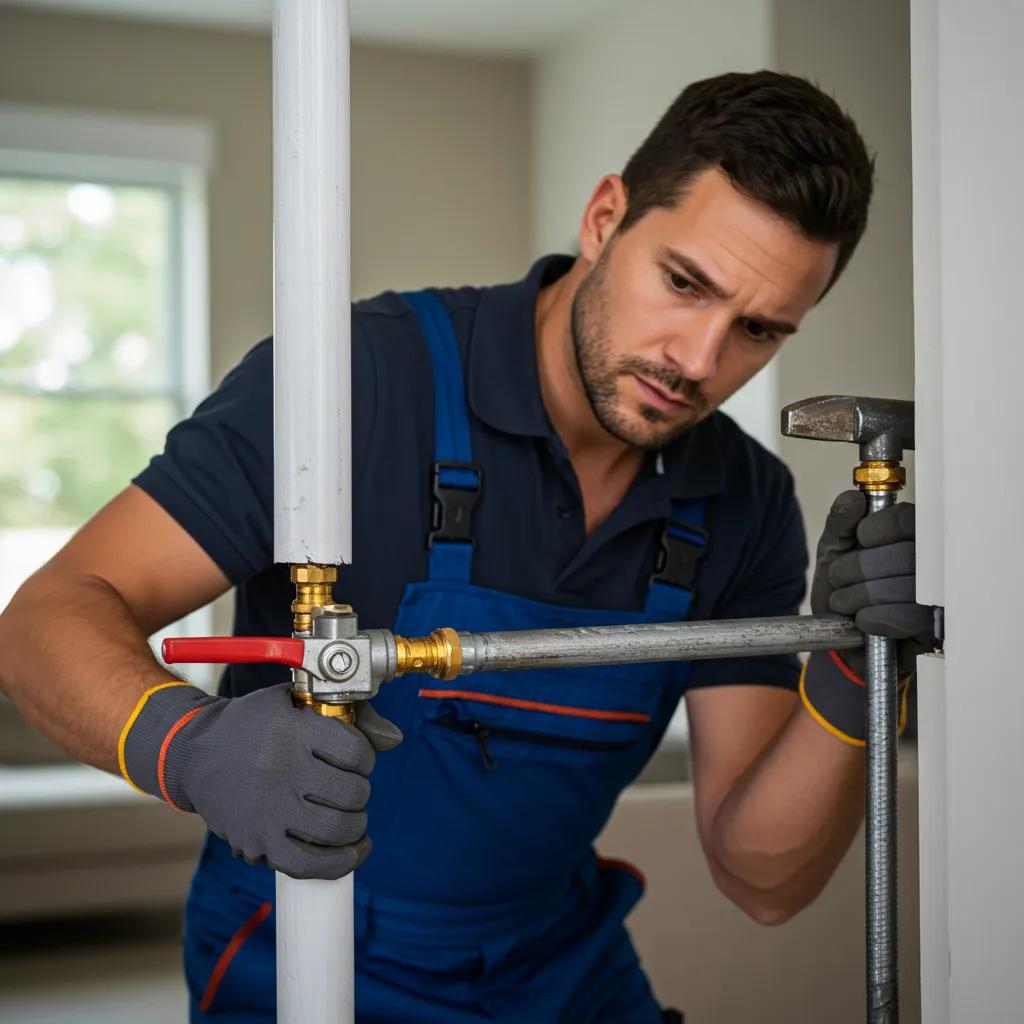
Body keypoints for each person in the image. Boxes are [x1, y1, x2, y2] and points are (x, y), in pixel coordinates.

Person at [0, 70, 935, 1022]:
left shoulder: (744, 497)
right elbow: (47, 616)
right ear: (606, 216)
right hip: (308, 945)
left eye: (758, 329)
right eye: (684, 283)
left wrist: (855, 683)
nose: (698, 362)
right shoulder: (355, 379)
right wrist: (187, 747)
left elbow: (761, 879)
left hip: (557, 965)